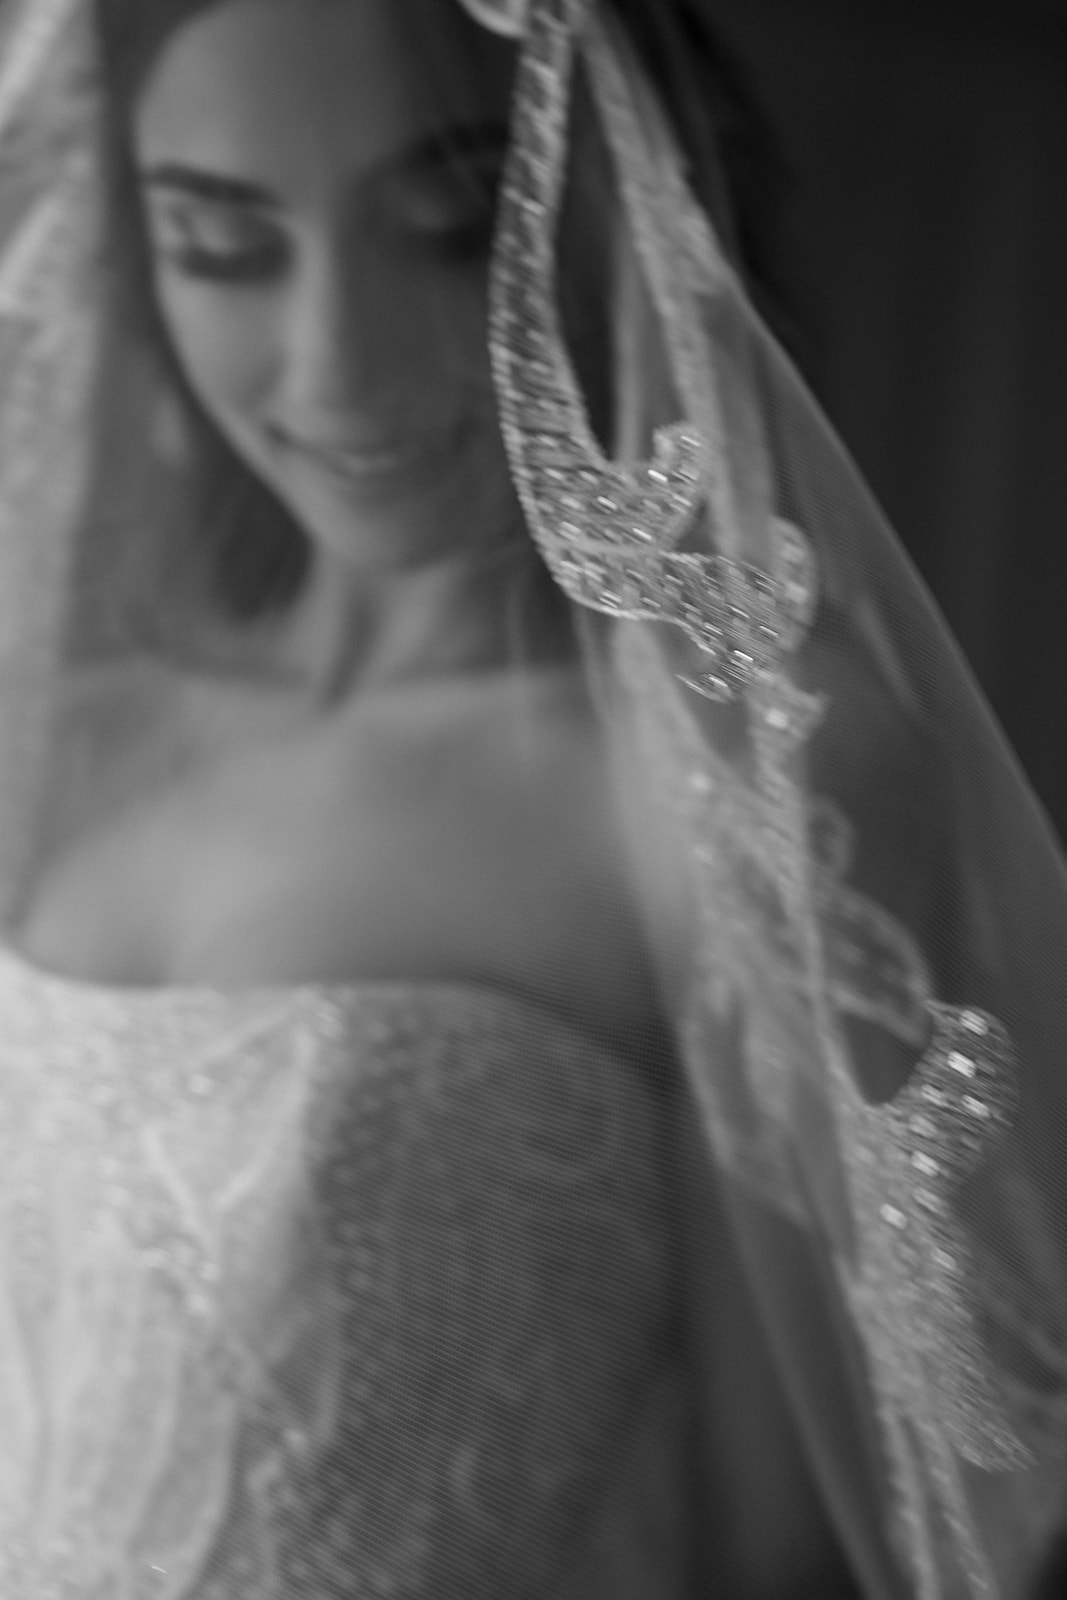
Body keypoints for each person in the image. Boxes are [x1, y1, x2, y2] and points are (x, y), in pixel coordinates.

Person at [0, 0, 1063, 1595]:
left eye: (450, 230)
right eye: (224, 248)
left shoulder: (734, 775)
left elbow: (792, 1545)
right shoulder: (67, 717)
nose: (338, 366)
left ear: (618, 203)